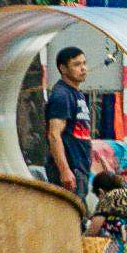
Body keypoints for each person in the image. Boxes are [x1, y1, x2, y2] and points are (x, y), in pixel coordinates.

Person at [44, 46, 95, 198]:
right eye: (77, 64)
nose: (83, 68)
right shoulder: (62, 95)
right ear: (63, 68)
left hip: (80, 168)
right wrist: (64, 170)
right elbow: (54, 135)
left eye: (84, 63)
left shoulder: (76, 93)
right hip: (71, 170)